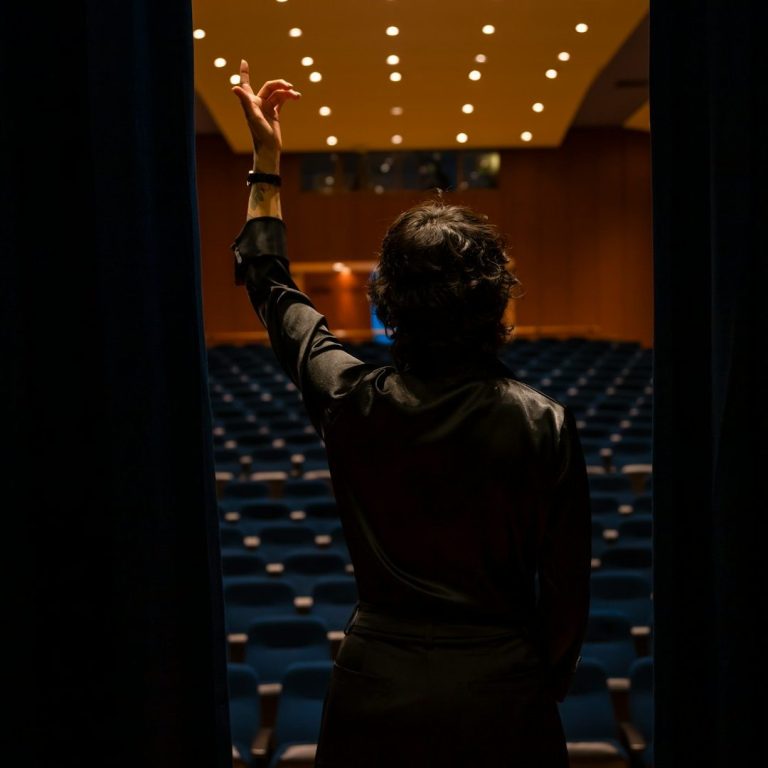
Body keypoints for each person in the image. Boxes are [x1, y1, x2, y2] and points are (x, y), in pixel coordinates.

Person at [230, 60, 591, 768]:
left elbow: (270, 285)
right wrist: (529, 684)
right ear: (496, 300)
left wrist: (266, 166)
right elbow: (567, 594)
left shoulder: (348, 396)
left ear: (388, 301)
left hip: (375, 691)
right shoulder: (543, 422)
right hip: (502, 690)